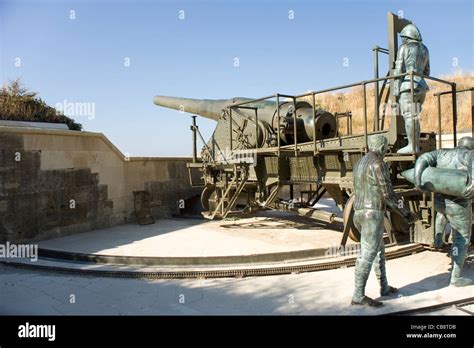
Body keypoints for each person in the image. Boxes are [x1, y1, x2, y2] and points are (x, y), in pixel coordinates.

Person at [351, 134, 417, 307]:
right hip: (372, 214)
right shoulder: (378, 164)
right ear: (381, 148)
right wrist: (406, 213)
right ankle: (358, 295)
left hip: (358, 212)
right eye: (387, 148)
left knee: (379, 250)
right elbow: (388, 194)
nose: (387, 151)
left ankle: (384, 287)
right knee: (367, 254)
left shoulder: (359, 163)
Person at [414, 136, 474, 287]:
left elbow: (422, 159)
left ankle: (438, 240)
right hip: (457, 204)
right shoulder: (469, 155)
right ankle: (456, 278)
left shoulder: (441, 153)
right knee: (462, 238)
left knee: (443, 214)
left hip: (439, 202)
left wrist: (418, 181)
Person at [393, 23, 430, 154]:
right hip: (422, 86)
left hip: (408, 86)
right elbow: (427, 71)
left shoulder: (404, 47)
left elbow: (398, 69)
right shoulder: (425, 49)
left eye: (403, 37)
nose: (402, 40)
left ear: (407, 37)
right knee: (414, 116)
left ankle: (412, 146)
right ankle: (415, 144)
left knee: (409, 116)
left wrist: (395, 89)